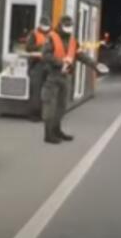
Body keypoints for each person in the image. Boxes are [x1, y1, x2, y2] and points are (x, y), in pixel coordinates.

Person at [39, 14, 108, 144]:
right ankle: (48, 134)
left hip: (66, 76)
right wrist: (60, 62)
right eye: (66, 25)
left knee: (62, 106)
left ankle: (57, 130)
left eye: (70, 26)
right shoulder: (52, 37)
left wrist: (95, 65)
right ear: (60, 25)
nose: (69, 28)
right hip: (52, 75)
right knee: (50, 105)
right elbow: (45, 55)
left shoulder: (72, 40)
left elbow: (80, 55)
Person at [24, 16, 53, 122]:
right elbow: (28, 47)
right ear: (40, 24)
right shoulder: (34, 34)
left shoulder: (53, 34)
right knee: (36, 91)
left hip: (50, 64)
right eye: (44, 25)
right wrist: (41, 46)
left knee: (49, 91)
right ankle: (34, 114)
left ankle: (46, 114)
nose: (46, 27)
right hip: (37, 64)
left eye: (47, 25)